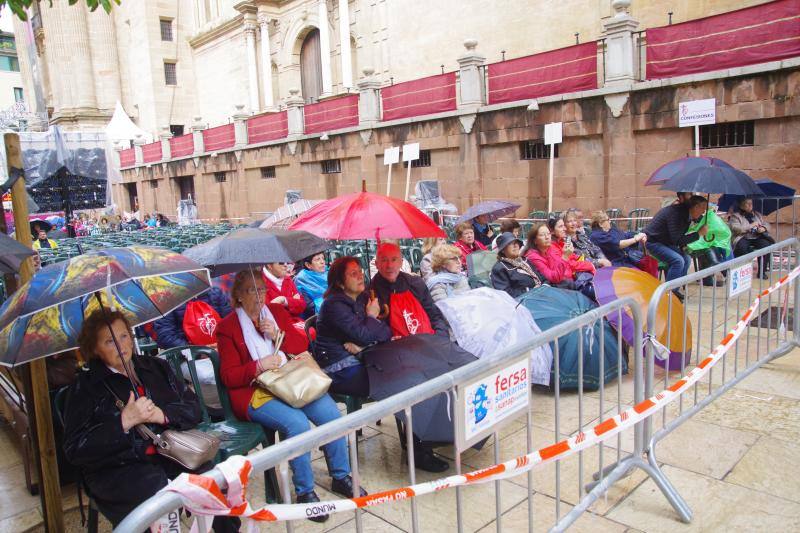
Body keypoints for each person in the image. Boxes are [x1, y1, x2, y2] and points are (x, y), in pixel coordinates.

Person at [62, 309, 240, 531]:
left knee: (212, 481)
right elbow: (75, 449)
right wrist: (123, 422)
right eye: (109, 341)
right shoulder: (85, 388)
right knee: (154, 498)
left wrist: (162, 415)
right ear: (95, 349)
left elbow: (193, 409)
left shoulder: (155, 367)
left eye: (124, 336)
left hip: (174, 454)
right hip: (119, 469)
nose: (120, 346)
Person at [217, 270, 365, 521]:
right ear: (239, 296)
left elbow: (300, 345)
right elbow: (229, 377)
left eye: (262, 289)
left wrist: (276, 334)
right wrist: (258, 365)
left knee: (331, 414)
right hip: (255, 392)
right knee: (296, 423)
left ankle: (341, 476)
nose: (259, 295)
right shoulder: (227, 328)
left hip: (290, 381)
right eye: (252, 290)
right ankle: (305, 492)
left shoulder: (274, 313)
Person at [314, 257, 390, 397]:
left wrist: (362, 347)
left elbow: (386, 331)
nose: (361, 276)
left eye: (360, 271)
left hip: (363, 358)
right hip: (339, 368)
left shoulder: (363, 297)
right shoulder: (333, 306)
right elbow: (364, 335)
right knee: (392, 378)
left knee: (401, 367)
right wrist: (372, 316)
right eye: (353, 274)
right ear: (340, 283)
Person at [371, 241, 449, 338]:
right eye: (384, 260)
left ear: (401, 262)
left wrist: (440, 338)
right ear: (376, 264)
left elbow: (435, 316)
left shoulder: (415, 284)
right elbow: (374, 331)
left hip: (430, 342)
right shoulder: (371, 293)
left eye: (394, 260)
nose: (389, 265)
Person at [644, 195, 709, 293]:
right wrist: (698, 234)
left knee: (686, 259)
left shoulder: (686, 214)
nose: (704, 212)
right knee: (678, 261)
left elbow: (679, 234)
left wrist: (683, 247)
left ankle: (675, 290)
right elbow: (677, 239)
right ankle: (668, 293)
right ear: (696, 207)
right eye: (703, 209)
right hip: (652, 241)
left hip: (665, 241)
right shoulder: (677, 214)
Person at [524, 222, 596, 300]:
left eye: (548, 234)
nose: (547, 237)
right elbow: (554, 278)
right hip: (553, 292)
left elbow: (566, 265)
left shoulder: (550, 248)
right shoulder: (533, 257)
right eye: (542, 235)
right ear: (535, 241)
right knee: (591, 291)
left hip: (569, 283)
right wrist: (565, 257)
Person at [728, 197, 775, 279]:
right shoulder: (735, 216)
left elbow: (766, 224)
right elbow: (736, 229)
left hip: (756, 236)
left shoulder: (756, 214)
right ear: (742, 206)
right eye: (747, 203)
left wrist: (763, 228)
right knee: (741, 248)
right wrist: (751, 226)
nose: (750, 205)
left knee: (766, 246)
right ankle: (742, 272)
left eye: (751, 203)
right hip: (742, 237)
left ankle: (762, 272)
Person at [491, 232, 543, 298]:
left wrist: (546, 284)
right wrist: (530, 290)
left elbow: (541, 276)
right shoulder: (499, 268)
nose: (515, 245)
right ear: (503, 250)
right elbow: (506, 294)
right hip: (525, 301)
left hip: (541, 293)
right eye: (510, 243)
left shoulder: (524, 260)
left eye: (516, 242)